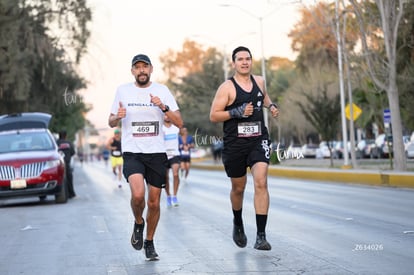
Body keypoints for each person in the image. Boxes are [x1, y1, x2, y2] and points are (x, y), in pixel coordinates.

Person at [108, 53, 183, 261]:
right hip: (132, 151)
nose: (141, 70)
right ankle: (138, 222)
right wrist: (117, 116)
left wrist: (163, 106)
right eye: (137, 67)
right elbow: (111, 122)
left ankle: (149, 242)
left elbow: (179, 122)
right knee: (138, 195)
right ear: (132, 71)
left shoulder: (162, 91)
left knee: (154, 202)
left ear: (151, 69)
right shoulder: (123, 90)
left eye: (145, 67)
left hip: (156, 152)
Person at [209, 46, 279, 251]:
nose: (245, 62)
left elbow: (263, 97)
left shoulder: (259, 81)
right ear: (234, 63)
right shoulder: (227, 88)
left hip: (258, 139)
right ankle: (238, 222)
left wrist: (271, 106)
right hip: (235, 145)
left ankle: (261, 236)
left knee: (261, 181)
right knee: (238, 188)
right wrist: (237, 111)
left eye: (248, 58)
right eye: (240, 59)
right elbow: (213, 116)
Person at [162, 114, 181, 207]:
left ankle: (174, 196)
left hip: (175, 155)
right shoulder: (160, 129)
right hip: (164, 156)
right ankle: (168, 196)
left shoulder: (176, 128)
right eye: (165, 115)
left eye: (168, 115)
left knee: (175, 174)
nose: (167, 116)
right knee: (165, 177)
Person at [56, 130, 76, 198]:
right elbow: (73, 152)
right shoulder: (69, 143)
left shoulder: (56, 143)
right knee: (69, 178)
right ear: (65, 136)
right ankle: (71, 193)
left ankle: (62, 193)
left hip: (58, 164)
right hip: (67, 163)